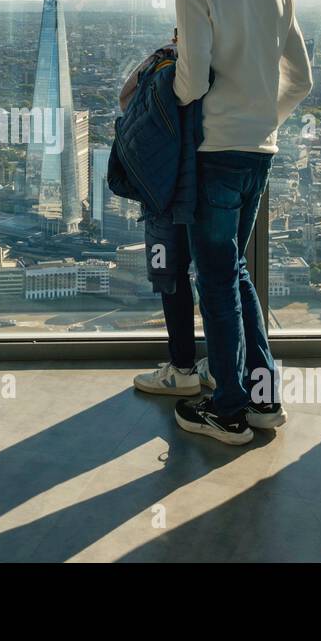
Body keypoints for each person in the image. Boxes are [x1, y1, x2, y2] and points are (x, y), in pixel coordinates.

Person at [171, 0, 313, 445]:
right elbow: (300, 80)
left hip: (215, 153)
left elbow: (193, 82)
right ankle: (263, 395)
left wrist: (173, 86)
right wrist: (262, 119)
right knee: (236, 271)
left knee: (215, 277)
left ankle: (228, 408)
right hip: (261, 150)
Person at [122, 32, 215, 397]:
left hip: (167, 188)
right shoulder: (228, 64)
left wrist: (162, 51)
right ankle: (222, 366)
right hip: (213, 181)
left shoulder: (165, 64)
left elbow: (125, 99)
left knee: (173, 279)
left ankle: (182, 368)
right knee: (219, 275)